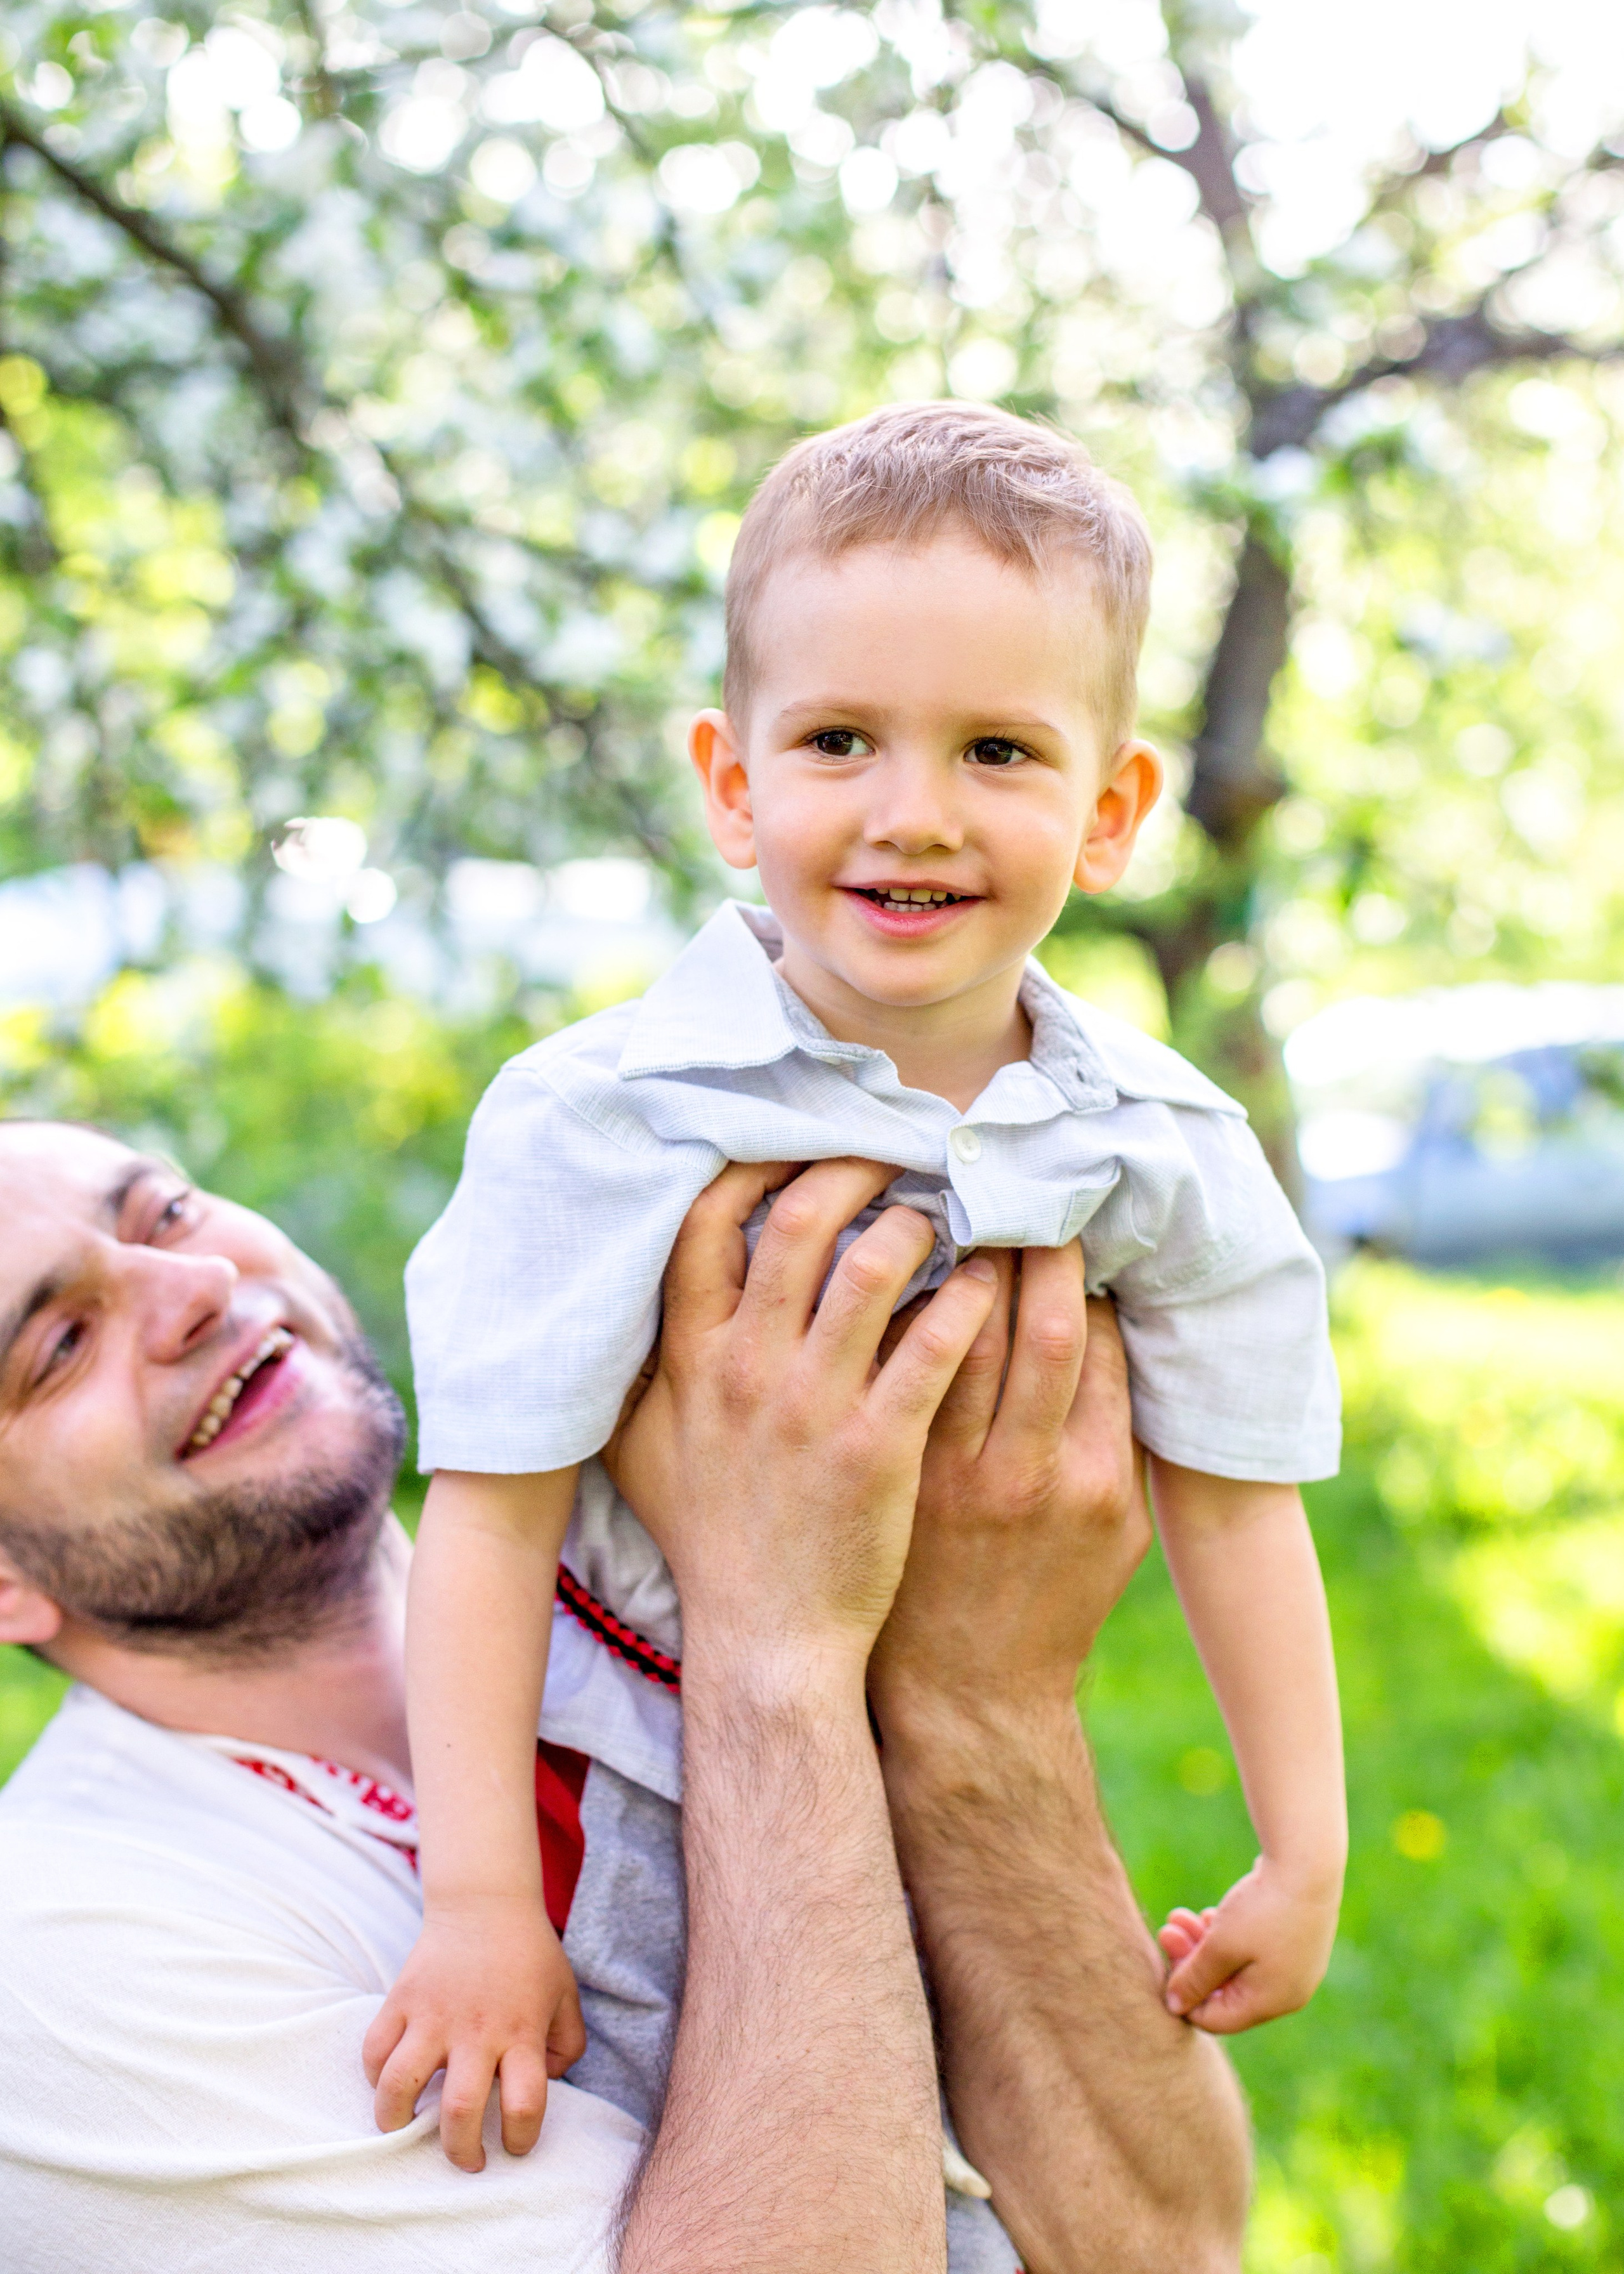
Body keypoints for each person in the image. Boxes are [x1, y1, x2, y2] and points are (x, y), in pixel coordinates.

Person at [393, 402, 1347, 2230]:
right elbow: (490, 1511)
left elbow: (1239, 1493)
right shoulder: (606, 1116)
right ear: (734, 783)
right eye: (839, 740)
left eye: (1000, 749)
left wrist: (1302, 1843)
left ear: (1117, 806)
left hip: (983, 1770)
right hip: (637, 1779)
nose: (914, 814)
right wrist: (479, 1904)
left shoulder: (1158, 1145)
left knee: (1021, 2187)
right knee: (714, 2185)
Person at [0, 1120, 1249, 2271]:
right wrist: (780, 1650)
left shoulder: (639, 1570)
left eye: (164, 1212)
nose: (194, 1290)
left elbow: (1170, 2240)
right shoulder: (62, 1960)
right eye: (57, 1347)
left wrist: (988, 1699)